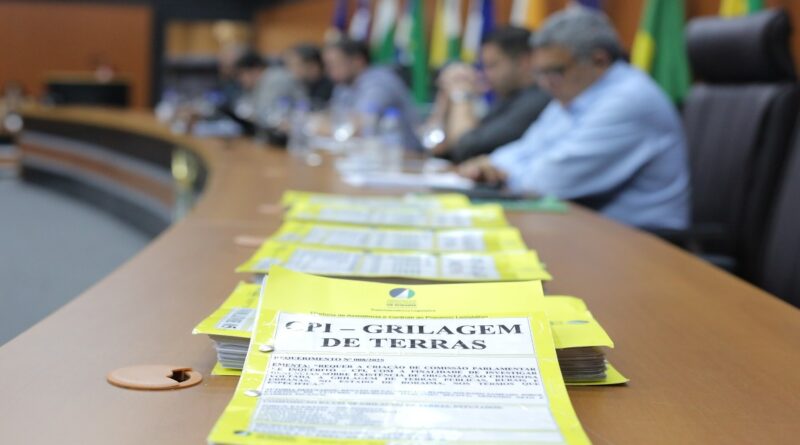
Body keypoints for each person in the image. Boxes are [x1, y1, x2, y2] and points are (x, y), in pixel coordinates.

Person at [459, 6, 690, 230]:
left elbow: (548, 183)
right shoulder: (574, 94)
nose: (545, 84)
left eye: (555, 71)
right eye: (540, 73)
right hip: (588, 226)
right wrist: (491, 165)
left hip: (643, 239)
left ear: (599, 60)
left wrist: (498, 172)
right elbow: (529, 147)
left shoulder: (630, 100)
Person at [430, 26, 550, 164]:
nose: (485, 74)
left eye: (492, 65)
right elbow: (440, 148)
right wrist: (445, 103)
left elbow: (466, 147)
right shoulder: (508, 98)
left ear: (523, 62)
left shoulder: (538, 100)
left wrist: (461, 93)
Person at [323, 38, 422, 150]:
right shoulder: (344, 86)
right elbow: (332, 116)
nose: (329, 71)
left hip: (404, 155)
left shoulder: (379, 81)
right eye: (328, 65)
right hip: (370, 154)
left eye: (335, 64)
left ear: (357, 61)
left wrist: (320, 126)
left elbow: (359, 127)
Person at [233, 51, 307, 124]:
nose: (240, 80)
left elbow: (266, 113)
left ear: (255, 70)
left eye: (241, 75)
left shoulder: (274, 78)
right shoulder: (258, 83)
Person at [283, 44, 334, 110]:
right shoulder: (300, 83)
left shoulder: (331, 85)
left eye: (297, 65)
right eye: (290, 65)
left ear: (313, 66)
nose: (292, 69)